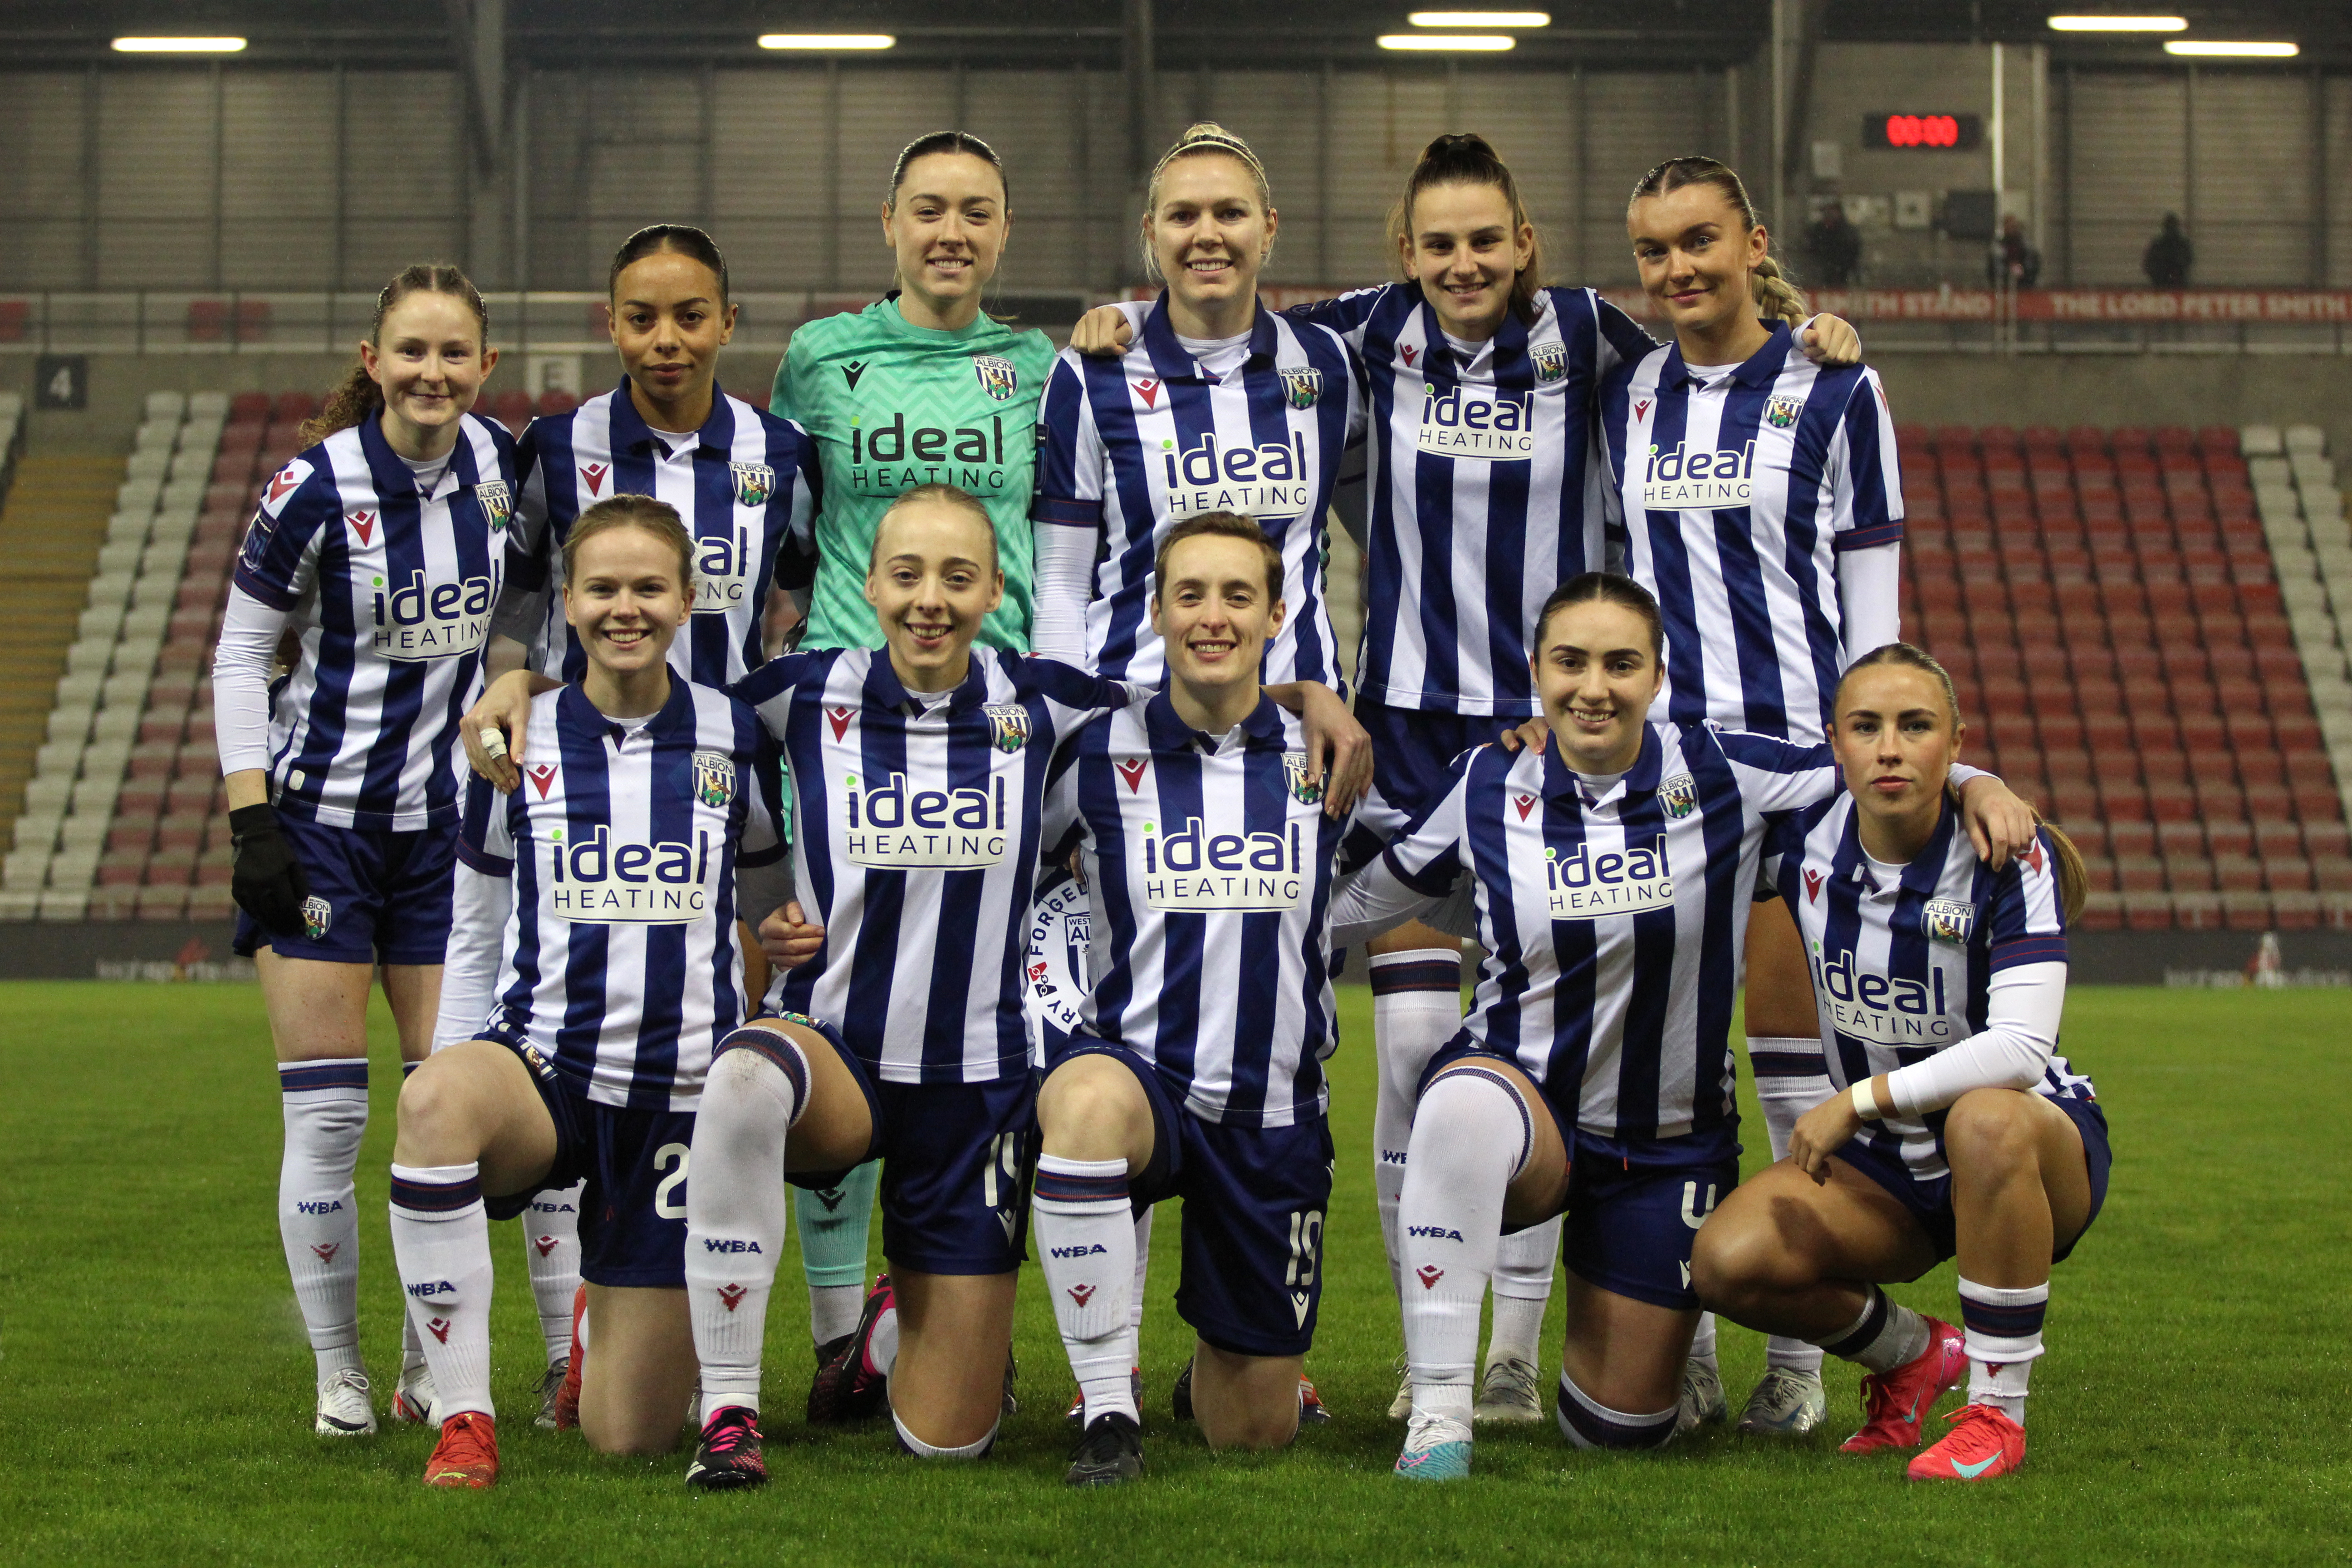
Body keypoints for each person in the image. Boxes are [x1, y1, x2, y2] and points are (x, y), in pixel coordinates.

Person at [1067, 133, 1865, 1423]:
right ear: (1405, 256)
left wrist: (1807, 322)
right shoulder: (1362, 337)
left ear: (1525, 243)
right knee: (1426, 1047)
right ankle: (1469, 1353)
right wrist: (1117, 314)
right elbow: (1219, 316)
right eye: (1438, 243)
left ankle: (1678, 1320)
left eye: (1485, 239)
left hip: (1570, 717)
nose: (1463, 262)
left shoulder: (1596, 337)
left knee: (1624, 1036)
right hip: (1416, 731)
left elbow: (1717, 349)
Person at [459, 489, 1366, 1483]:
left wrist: (1307, 698)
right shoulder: (798, 693)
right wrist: (521, 689)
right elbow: (635, 686)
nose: (929, 599)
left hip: (975, 1089)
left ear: (995, 592)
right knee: (744, 1077)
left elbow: (1206, 699)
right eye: (907, 575)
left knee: (949, 1441)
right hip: (833, 1063)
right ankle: (730, 1415)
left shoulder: (1050, 704)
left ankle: (883, 1335)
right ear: (870, 585)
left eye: (957, 577)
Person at [1329, 573, 2029, 1480]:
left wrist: (1977, 781)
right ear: (1536, 671)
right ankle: (1437, 1420)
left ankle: (1910, 1349)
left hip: (1662, 1148)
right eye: (1571, 663)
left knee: (1617, 1432)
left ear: (1658, 677)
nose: (1594, 687)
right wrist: (1254, 913)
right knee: (1456, 1106)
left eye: (1621, 664)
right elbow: (1367, 899)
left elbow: (1876, 761)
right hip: (1523, 1108)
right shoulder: (1489, 778)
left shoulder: (1723, 770)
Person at [1605, 154, 1941, 1436]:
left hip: (1804, 774)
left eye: (1699, 241)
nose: (1677, 269)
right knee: (1669, 1072)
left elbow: (1873, 612)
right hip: (1678, 779)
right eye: (1653, 250)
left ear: (1752, 242)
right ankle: (1684, 1332)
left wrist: (1882, 759)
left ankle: (1799, 1355)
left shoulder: (1840, 387)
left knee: (1802, 1069)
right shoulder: (1632, 396)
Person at [479, 221, 819, 1430]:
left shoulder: (779, 450)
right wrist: (511, 681)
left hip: (728, 783)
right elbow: (522, 589)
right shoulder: (557, 447)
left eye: (689, 316)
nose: (665, 339)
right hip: (587, 768)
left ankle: (747, 1346)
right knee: (578, 1035)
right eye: (640, 316)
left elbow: (801, 602)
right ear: (609, 323)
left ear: (728, 323)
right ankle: (564, 1330)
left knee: (712, 1065)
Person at [394, 496, 793, 1487]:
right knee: (431, 1101)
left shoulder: (732, 733)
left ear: (687, 599)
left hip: (678, 1095)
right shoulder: (512, 745)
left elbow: (771, 901)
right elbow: (477, 924)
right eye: (603, 588)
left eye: (650, 588)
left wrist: (763, 1014)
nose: (628, 608)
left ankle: (599, 1326)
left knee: (628, 1436)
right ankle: (465, 1419)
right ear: (567, 603)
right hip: (545, 1070)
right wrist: (451, 1051)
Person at [765, 134, 1060, 1383]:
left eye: (976, 212)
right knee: (831, 1001)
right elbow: (780, 534)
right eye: (929, 209)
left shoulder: (1044, 368)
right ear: (889, 221)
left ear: (1005, 232)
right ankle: (841, 1337)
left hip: (998, 734)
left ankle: (932, 1297)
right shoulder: (821, 360)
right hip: (847, 729)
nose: (951, 230)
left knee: (978, 1021)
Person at [211, 263, 515, 1441]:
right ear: (374, 358)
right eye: (413, 351)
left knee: (447, 1107)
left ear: (484, 369)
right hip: (320, 836)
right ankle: (337, 1372)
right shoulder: (313, 486)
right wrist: (252, 825)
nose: (433, 372)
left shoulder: (509, 474)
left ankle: (423, 1363)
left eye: (456, 354)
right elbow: (243, 656)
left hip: (450, 845)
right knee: (330, 1121)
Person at [1691, 642, 2104, 1483]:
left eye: (1914, 727)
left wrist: (1857, 1100)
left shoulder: (2004, 850)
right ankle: (1911, 1355)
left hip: (2022, 1143)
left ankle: (1993, 1411)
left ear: (1953, 745)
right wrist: (1537, 733)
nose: (1888, 748)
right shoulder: (1800, 835)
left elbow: (2022, 1050)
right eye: (1866, 727)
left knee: (1985, 1115)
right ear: (1833, 745)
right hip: (1888, 1166)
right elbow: (1666, 756)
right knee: (1726, 1262)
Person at [1035, 513, 1362, 1486]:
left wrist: (1320, 698)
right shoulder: (1093, 752)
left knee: (1252, 1433)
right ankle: (1107, 1408)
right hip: (1141, 1082)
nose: (1210, 617)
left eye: (1235, 597)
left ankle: (1219, 1357)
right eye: (1189, 595)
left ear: (1276, 614)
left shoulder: (1329, 755)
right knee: (1085, 1105)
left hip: (1273, 1115)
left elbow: (1425, 858)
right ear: (1156, 612)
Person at [1030, 121, 1358, 693]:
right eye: (1183, 216)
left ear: (1268, 229)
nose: (1207, 235)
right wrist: (1065, 717)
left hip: (1293, 732)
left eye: (1230, 213)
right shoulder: (1089, 374)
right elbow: (1061, 579)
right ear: (1151, 233)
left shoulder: (1328, 363)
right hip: (1131, 721)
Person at [1801, 201, 1863, 289]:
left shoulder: (1846, 230)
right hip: (1822, 268)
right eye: (1827, 212)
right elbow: (1812, 247)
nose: (1830, 215)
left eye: (1833, 212)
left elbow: (1853, 248)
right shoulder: (1819, 230)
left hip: (1844, 268)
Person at [1989, 215, 2041, 289]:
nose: (2012, 229)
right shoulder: (1997, 247)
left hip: (2025, 284)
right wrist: (2009, 271)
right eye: (2009, 226)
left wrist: (2023, 269)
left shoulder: (2027, 246)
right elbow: (1995, 267)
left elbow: (2033, 263)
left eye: (2014, 226)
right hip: (2004, 285)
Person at [2142, 213, 2192, 288]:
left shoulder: (2182, 244)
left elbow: (2188, 261)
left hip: (2175, 283)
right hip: (2162, 283)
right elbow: (2149, 264)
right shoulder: (2159, 245)